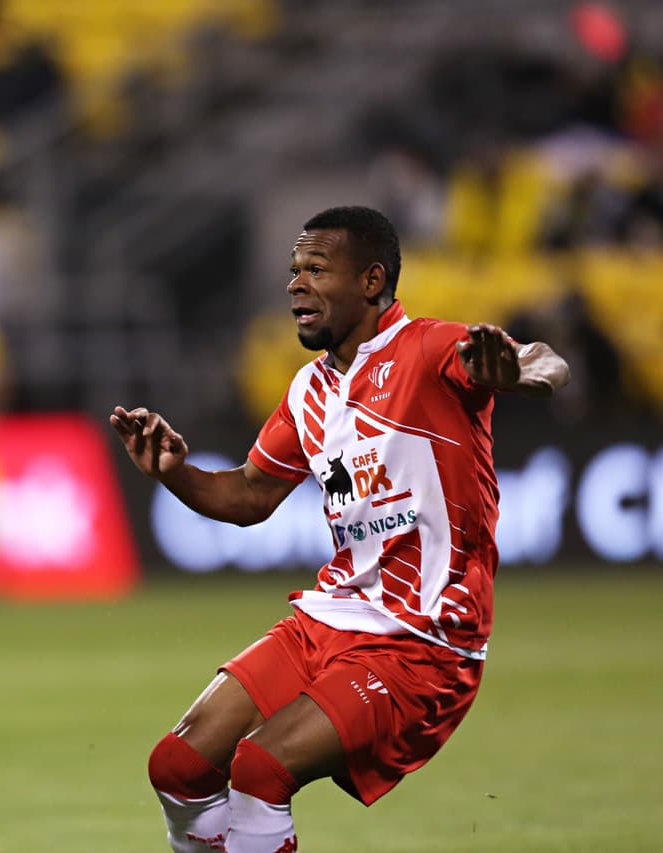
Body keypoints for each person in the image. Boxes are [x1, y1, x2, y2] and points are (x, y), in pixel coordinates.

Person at [110, 206, 570, 853]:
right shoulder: (310, 389)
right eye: (295, 269)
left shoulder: (430, 350)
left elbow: (546, 359)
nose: (296, 283)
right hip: (332, 616)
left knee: (260, 769)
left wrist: (522, 375)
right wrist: (175, 472)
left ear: (371, 280)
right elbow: (248, 495)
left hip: (423, 641)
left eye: (316, 269)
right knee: (178, 767)